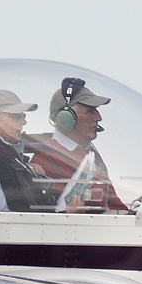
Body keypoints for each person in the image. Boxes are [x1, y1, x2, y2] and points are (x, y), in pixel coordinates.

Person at [28, 78, 128, 212]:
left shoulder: (91, 155)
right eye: (90, 111)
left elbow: (113, 204)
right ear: (66, 119)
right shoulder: (46, 159)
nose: (98, 117)